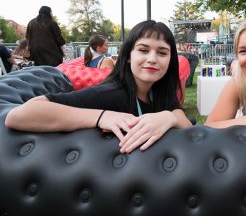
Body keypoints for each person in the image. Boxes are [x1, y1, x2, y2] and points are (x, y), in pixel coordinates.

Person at [5, 20, 192, 153]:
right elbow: (18, 116)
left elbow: (183, 119)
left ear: (170, 60)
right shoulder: (112, 93)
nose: (152, 58)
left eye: (162, 52)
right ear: (127, 56)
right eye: (143, 50)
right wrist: (102, 117)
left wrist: (169, 117)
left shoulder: (158, 89)